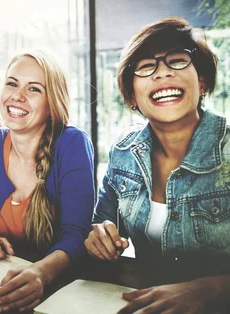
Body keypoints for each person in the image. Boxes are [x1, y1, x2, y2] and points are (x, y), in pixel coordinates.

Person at [85, 17, 230, 313]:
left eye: (177, 61)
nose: (162, 73)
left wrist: (210, 291)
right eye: (146, 66)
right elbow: (101, 223)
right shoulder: (123, 151)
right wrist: (99, 236)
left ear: (201, 81)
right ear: (133, 94)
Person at [0, 49, 95, 312]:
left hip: (58, 291)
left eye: (34, 89)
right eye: (12, 83)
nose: (17, 96)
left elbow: (76, 235)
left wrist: (40, 274)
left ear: (52, 103)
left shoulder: (73, 143)